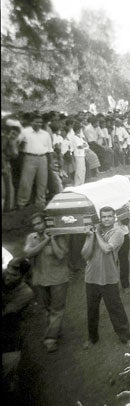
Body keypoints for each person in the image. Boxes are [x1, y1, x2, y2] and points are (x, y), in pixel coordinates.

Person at [81, 206, 130, 348]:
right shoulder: (93, 232)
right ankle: (92, 338)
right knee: (92, 309)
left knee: (115, 308)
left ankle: (126, 336)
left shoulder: (118, 232)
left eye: (109, 216)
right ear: (100, 218)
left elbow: (106, 249)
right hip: (91, 277)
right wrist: (90, 236)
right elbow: (85, 254)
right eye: (104, 216)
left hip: (109, 277)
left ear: (114, 217)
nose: (106, 219)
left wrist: (96, 233)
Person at [24, 212, 69, 353]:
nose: (37, 226)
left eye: (39, 223)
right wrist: (45, 240)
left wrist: (53, 239)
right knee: (47, 309)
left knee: (57, 309)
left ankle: (50, 339)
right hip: (40, 280)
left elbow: (61, 255)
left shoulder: (59, 235)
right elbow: (29, 253)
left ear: (46, 222)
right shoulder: (32, 238)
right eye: (35, 224)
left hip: (58, 279)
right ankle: (55, 331)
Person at [2, 257, 34, 399]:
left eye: (14, 275)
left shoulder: (26, 293)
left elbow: (5, 312)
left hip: (11, 337)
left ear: (23, 276)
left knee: (7, 374)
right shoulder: (3, 275)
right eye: (7, 272)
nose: (8, 277)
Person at [17, 113, 54, 210]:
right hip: (29, 157)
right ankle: (22, 204)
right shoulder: (25, 132)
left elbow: (49, 149)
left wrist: (51, 162)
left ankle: (40, 204)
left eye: (40, 122)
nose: (39, 124)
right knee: (26, 182)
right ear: (31, 122)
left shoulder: (45, 134)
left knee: (42, 182)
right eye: (36, 122)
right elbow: (17, 144)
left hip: (43, 158)